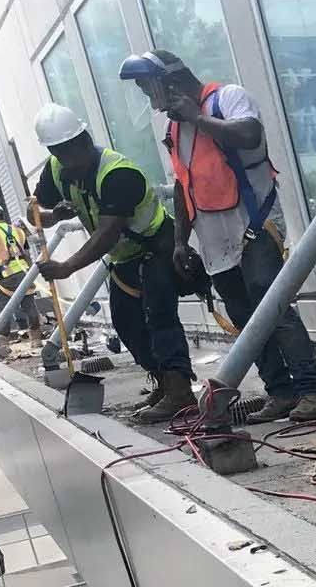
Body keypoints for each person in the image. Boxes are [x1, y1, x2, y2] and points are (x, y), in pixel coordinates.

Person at [119, 49, 316, 424]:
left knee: (272, 305)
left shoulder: (227, 98)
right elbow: (184, 186)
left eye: (147, 87)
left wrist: (198, 118)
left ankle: (312, 391)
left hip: (254, 222)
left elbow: (249, 135)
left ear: (168, 82)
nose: (147, 97)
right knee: (244, 315)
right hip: (215, 237)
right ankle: (281, 392)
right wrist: (182, 241)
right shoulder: (174, 128)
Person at [30, 102, 194, 423]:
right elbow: (35, 214)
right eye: (59, 154)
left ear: (84, 141)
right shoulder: (56, 169)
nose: (68, 163)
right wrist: (52, 216)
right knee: (127, 323)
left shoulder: (117, 173)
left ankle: (181, 393)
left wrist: (66, 268)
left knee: (160, 320)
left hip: (155, 248)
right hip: (123, 259)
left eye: (70, 154)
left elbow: (107, 232)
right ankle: (163, 382)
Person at [0, 202, 43, 343]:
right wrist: (32, 274)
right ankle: (36, 340)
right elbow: (26, 254)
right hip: (24, 274)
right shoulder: (17, 230)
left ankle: (3, 343)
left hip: (5, 277)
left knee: (4, 310)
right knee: (30, 306)